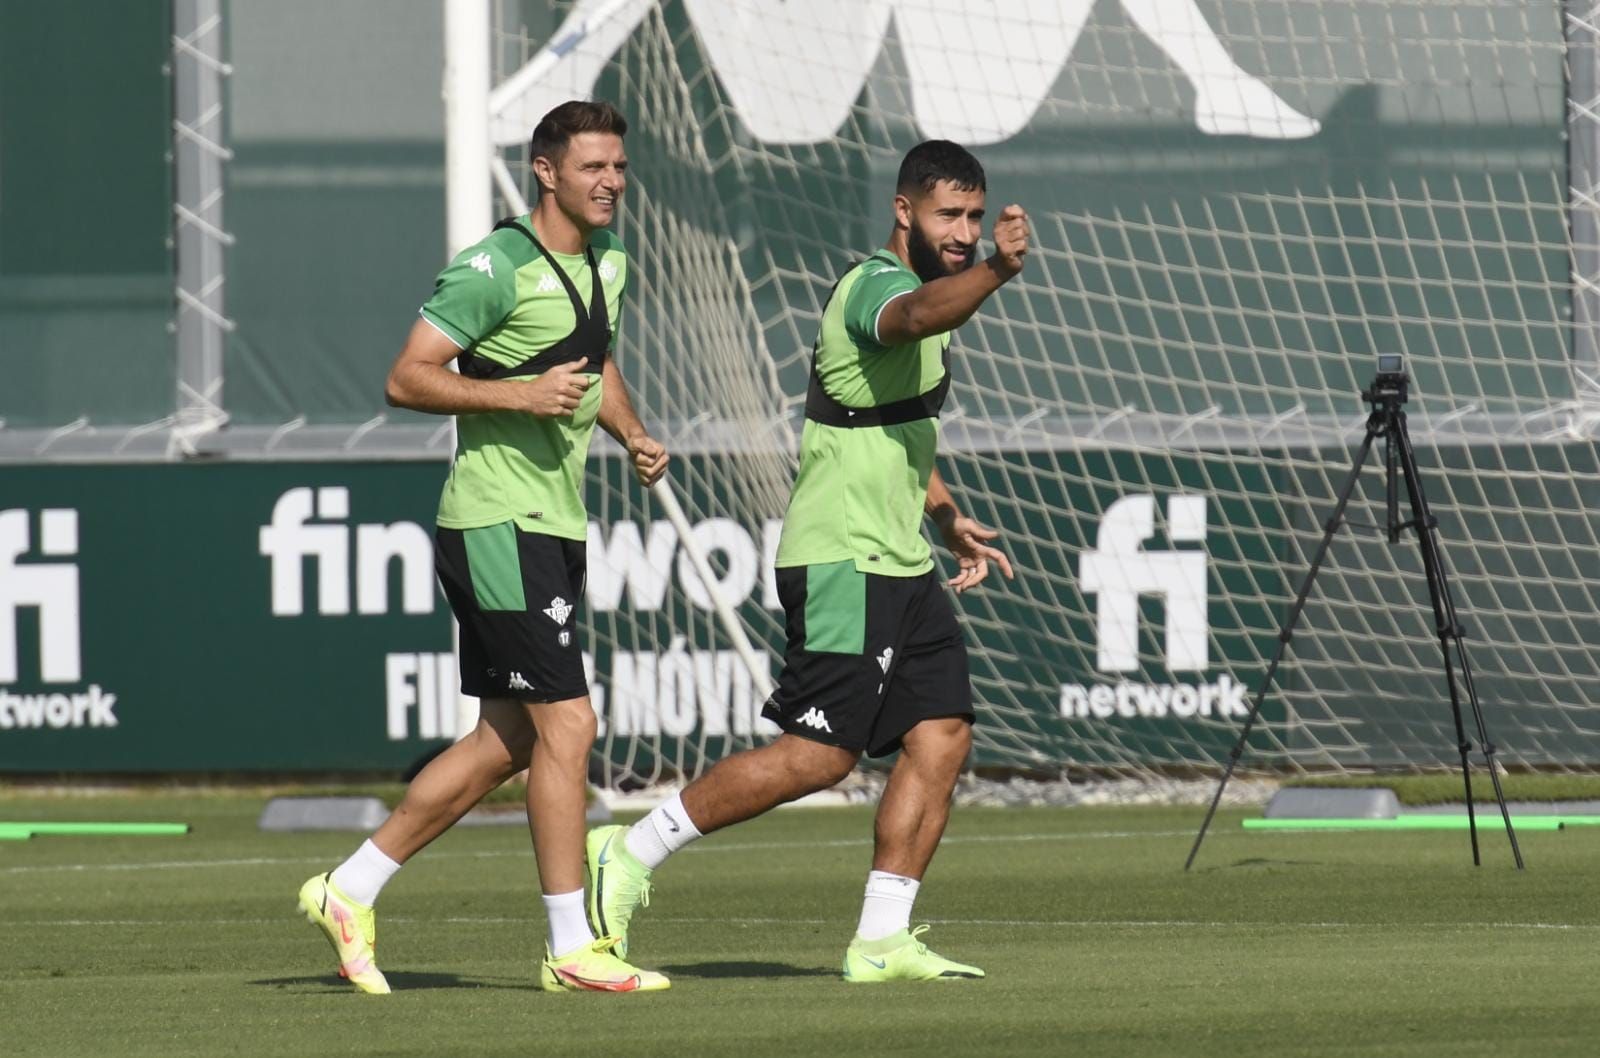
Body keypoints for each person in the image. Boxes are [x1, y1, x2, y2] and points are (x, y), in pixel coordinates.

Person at [585, 139, 1025, 982]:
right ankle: (631, 850)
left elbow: (894, 427)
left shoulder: (937, 303)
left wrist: (945, 515)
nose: (965, 231)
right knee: (819, 755)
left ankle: (881, 938)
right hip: (841, 560)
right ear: (904, 211)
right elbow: (916, 318)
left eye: (975, 217)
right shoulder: (876, 289)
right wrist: (999, 270)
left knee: (943, 735)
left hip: (902, 563)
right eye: (949, 215)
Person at [296, 100, 671, 995]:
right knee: (570, 726)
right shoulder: (494, 266)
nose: (611, 182)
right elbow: (406, 377)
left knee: (506, 741)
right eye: (592, 167)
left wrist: (630, 431)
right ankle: (571, 948)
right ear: (546, 172)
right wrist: (518, 395)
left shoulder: (609, 260)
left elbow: (592, 360)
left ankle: (349, 890)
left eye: (619, 166)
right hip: (497, 523)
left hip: (553, 521)